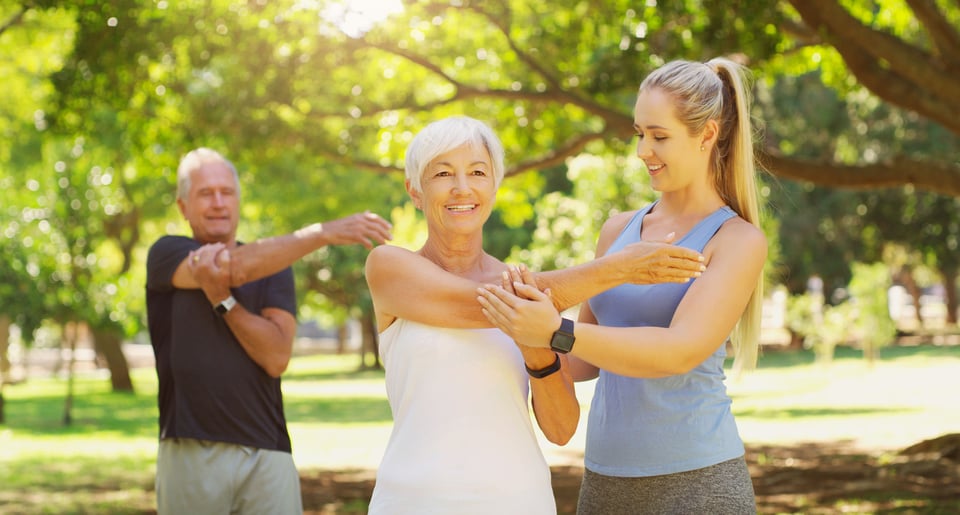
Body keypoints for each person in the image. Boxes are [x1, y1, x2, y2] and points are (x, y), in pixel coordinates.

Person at [363, 116, 707, 514]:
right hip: (412, 501)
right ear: (415, 191)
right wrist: (618, 268)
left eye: (477, 172)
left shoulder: (526, 289)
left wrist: (536, 351)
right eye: (442, 173)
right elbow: (481, 303)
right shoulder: (388, 267)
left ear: (493, 187)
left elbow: (561, 429)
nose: (462, 187)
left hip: (519, 500)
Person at [477, 57, 766, 514]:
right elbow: (584, 361)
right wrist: (515, 340)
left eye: (659, 136)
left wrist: (554, 331)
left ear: (707, 135)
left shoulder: (736, 240)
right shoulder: (618, 232)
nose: (642, 151)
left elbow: (679, 351)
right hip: (605, 478)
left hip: (698, 482)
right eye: (639, 134)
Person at [145, 147, 393, 514]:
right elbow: (230, 268)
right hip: (191, 446)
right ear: (183, 207)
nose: (218, 202)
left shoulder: (276, 266)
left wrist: (224, 302)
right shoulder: (167, 253)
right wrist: (322, 233)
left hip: (268, 450)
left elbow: (276, 357)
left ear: (239, 201)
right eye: (205, 193)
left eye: (226, 192)